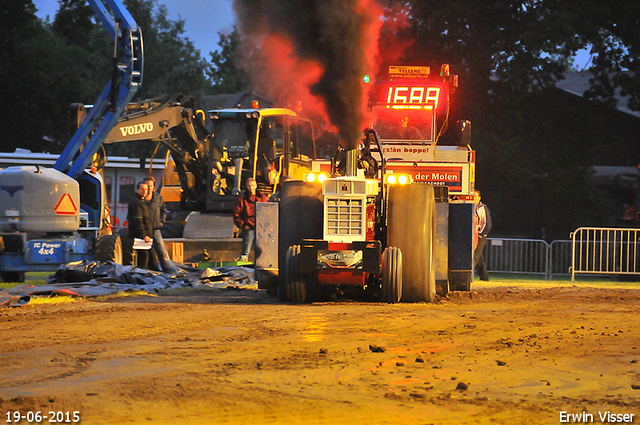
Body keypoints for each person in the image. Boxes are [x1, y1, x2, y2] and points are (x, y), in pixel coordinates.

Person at [143, 176, 178, 273]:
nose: (149, 188)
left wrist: (161, 221)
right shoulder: (140, 199)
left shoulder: (158, 198)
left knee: (161, 251)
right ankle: (144, 270)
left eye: (151, 186)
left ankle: (168, 271)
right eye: (147, 186)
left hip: (155, 229)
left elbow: (164, 210)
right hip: (143, 230)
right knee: (144, 252)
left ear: (154, 187)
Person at [233, 177, 269, 262]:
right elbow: (236, 214)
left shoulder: (263, 198)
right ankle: (243, 266)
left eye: (252, 185)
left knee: (261, 250)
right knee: (246, 251)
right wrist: (243, 225)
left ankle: (261, 265)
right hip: (248, 228)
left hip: (261, 228)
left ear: (256, 186)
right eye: (249, 186)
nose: (251, 187)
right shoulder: (242, 199)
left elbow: (268, 211)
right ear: (246, 187)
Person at [127, 181, 153, 269]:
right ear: (138, 189)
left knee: (147, 257)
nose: (144, 191)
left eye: (146, 189)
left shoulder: (142, 201)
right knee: (143, 257)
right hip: (139, 236)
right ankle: (140, 275)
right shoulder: (136, 202)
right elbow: (138, 220)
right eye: (142, 189)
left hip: (145, 234)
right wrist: (144, 235)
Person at [473, 190, 492, 281]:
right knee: (480, 258)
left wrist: (481, 234)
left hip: (480, 235)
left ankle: (468, 275)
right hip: (474, 235)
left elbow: (486, 223)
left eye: (475, 196)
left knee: (476, 256)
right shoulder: (471, 207)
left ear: (479, 198)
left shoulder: (482, 208)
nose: (473, 198)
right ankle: (484, 277)